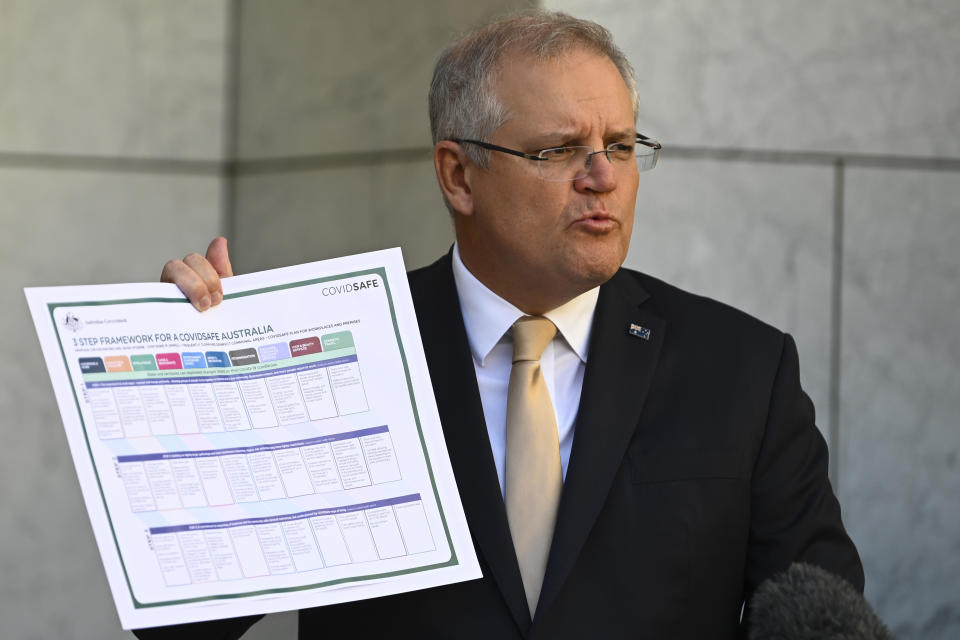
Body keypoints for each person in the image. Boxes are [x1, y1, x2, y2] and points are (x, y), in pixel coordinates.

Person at [139, 11, 863, 639]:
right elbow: (183, 624)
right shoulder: (346, 352)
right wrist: (213, 389)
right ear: (458, 176)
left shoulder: (741, 369)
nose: (602, 176)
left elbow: (818, 613)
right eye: (558, 150)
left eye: (619, 145)